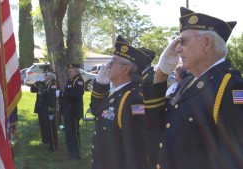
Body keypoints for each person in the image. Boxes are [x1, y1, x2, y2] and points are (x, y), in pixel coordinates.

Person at [143, 7, 243, 169]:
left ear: (206, 43)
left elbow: (235, 158)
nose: (177, 49)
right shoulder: (188, 83)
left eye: (183, 41)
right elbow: (156, 124)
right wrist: (160, 74)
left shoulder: (230, 86)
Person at [90, 35, 155, 169]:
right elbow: (97, 111)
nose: (108, 65)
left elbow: (136, 150)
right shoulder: (117, 94)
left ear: (126, 68)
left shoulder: (133, 99)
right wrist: (100, 84)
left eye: (113, 61)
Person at [61, 63, 84, 160]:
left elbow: (75, 95)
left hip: (73, 111)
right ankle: (70, 152)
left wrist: (65, 93)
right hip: (67, 110)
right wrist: (66, 93)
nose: (69, 73)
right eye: (68, 71)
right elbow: (67, 93)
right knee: (68, 132)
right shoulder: (71, 80)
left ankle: (76, 154)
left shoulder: (79, 81)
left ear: (76, 71)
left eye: (71, 71)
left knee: (73, 133)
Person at [30, 72, 49, 144]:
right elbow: (32, 90)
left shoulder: (49, 83)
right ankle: (44, 139)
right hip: (39, 106)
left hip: (46, 107)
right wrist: (37, 82)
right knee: (41, 124)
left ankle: (48, 138)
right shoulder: (39, 83)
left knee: (47, 123)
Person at [44, 72, 59, 151]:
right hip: (48, 108)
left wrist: (51, 109)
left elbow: (52, 98)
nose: (45, 76)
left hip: (51, 109)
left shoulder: (53, 84)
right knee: (49, 128)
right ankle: (51, 144)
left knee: (52, 127)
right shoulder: (49, 83)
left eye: (46, 75)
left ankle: (53, 146)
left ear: (50, 77)